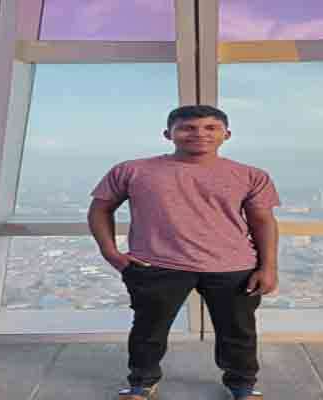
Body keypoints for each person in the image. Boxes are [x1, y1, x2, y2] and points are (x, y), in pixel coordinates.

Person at [87, 105, 280, 400]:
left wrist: (269, 267)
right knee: (148, 331)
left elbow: (262, 221)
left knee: (238, 332)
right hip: (155, 264)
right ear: (168, 134)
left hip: (233, 265)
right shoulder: (131, 170)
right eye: (187, 128)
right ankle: (141, 383)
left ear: (226, 134)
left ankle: (242, 386)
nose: (199, 134)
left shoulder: (251, 175)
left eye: (210, 128)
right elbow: (100, 209)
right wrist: (110, 252)